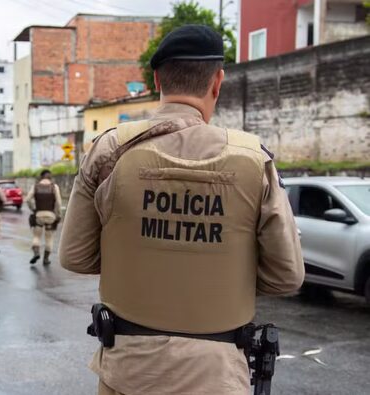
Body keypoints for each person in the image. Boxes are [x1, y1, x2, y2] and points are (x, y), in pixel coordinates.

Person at [59, 25, 304, 395]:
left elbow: (75, 257)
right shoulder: (254, 159)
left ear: (157, 79)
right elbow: (286, 277)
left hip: (129, 372)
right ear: (217, 82)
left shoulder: (109, 150)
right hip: (217, 375)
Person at [26, 169, 62, 265]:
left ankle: (36, 252)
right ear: (50, 177)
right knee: (49, 238)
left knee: (36, 236)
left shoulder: (35, 186)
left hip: (39, 215)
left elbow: (28, 199)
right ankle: (46, 259)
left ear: (41, 177)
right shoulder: (54, 187)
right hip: (51, 215)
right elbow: (58, 202)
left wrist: (33, 209)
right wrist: (58, 214)